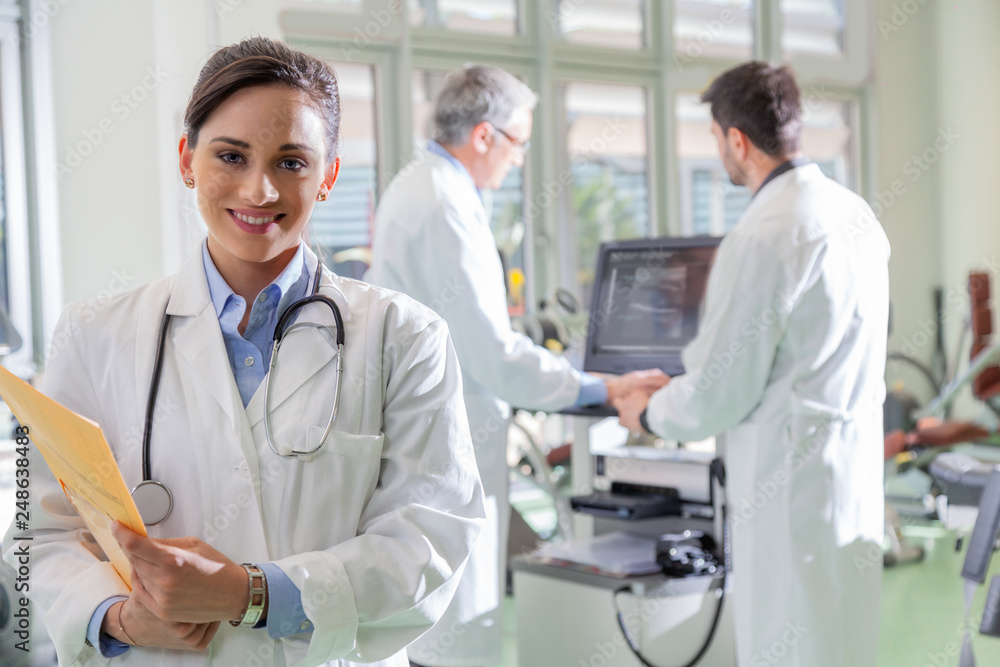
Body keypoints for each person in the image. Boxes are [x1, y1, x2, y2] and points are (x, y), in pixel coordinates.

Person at [2, 37, 485, 667]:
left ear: (330, 175)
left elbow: (431, 537)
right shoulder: (93, 335)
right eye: (231, 155)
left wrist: (249, 594)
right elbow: (35, 523)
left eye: (291, 162)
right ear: (187, 161)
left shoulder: (406, 338)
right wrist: (117, 617)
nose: (258, 191)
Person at [366, 65, 666, 667]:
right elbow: (493, 356)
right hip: (441, 447)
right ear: (483, 136)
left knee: (437, 622)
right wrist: (599, 389)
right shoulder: (445, 205)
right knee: (453, 631)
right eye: (519, 144)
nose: (520, 160)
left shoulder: (423, 186)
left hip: (427, 440)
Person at [613, 61, 889, 667]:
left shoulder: (764, 233)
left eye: (715, 140)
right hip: (849, 477)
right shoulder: (855, 214)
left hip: (787, 485)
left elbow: (719, 391)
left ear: (736, 139)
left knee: (789, 641)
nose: (719, 155)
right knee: (844, 640)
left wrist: (649, 412)